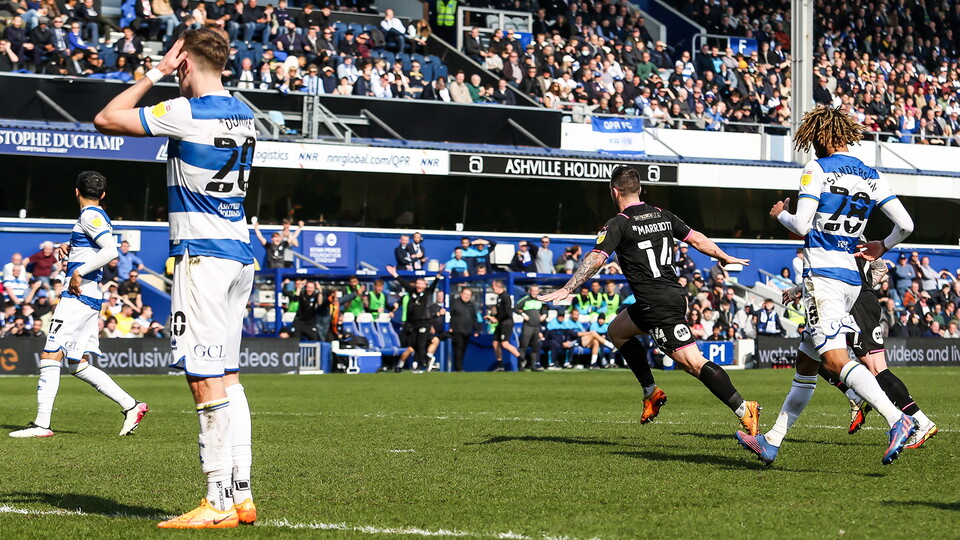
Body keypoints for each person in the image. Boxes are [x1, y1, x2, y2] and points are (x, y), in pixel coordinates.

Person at [94, 29, 257, 527]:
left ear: (185, 62)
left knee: (204, 377)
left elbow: (105, 118)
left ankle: (216, 501)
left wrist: (157, 72)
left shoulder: (186, 112)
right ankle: (242, 493)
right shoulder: (247, 114)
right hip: (239, 255)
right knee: (228, 375)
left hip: (202, 258)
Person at [737, 106, 917, 466]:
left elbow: (802, 225)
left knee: (836, 361)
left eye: (812, 141)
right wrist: (884, 244)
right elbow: (907, 225)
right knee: (806, 365)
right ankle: (771, 441)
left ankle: (899, 419)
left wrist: (779, 215)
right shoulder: (872, 174)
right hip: (851, 279)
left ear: (821, 137)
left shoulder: (817, 168)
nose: (811, 150)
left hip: (824, 279)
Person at [538, 165, 760, 439]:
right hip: (667, 297)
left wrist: (568, 288)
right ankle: (650, 392)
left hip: (658, 304)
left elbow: (596, 257)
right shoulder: (662, 215)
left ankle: (743, 408)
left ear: (614, 191)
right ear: (639, 189)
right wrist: (723, 255)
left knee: (692, 362)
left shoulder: (618, 223)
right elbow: (696, 238)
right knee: (617, 331)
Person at [10, 172, 148, 440]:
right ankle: (132, 406)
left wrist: (78, 271)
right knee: (76, 363)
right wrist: (69, 247)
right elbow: (94, 244)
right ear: (104, 195)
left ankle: (41, 425)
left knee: (51, 356)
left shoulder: (90, 215)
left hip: (77, 294)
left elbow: (110, 251)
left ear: (76, 191)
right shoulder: (94, 217)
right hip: (89, 296)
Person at [784, 258, 938, 449]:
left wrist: (859, 287)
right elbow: (881, 266)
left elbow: (835, 270)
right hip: (847, 302)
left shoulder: (834, 236)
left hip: (856, 304)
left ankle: (921, 422)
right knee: (818, 355)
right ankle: (854, 395)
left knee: (876, 368)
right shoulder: (853, 236)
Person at [385, 264, 444, 372]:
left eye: (420, 283)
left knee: (421, 344)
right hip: (415, 324)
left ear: (425, 285)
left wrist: (439, 273)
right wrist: (395, 274)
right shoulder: (413, 293)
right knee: (415, 345)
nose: (418, 285)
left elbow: (434, 284)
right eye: (417, 283)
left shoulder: (427, 293)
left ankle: (423, 364)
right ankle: (421, 362)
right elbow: (404, 284)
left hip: (424, 322)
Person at [485, 280, 522, 371]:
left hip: (507, 323)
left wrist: (496, 319)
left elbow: (507, 313)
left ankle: (521, 359)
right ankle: (500, 365)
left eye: (493, 287)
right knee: (495, 343)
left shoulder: (506, 297)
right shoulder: (499, 297)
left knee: (505, 344)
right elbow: (500, 312)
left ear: (498, 287)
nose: (493, 289)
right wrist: (492, 317)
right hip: (500, 323)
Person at [513, 284, 548, 371]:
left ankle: (533, 366)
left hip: (537, 327)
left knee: (535, 347)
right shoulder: (525, 299)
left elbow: (545, 309)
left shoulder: (540, 300)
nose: (534, 293)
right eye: (533, 291)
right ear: (529, 291)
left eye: (536, 291)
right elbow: (515, 308)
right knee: (524, 346)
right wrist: (523, 314)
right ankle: (520, 366)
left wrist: (544, 315)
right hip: (527, 326)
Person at [449, 286, 480, 372]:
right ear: (461, 294)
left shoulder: (471, 305)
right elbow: (448, 315)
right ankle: (459, 367)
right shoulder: (455, 303)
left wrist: (476, 330)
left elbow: (474, 318)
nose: (466, 296)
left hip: (467, 330)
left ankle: (459, 366)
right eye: (465, 294)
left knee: (463, 349)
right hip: (457, 330)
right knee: (458, 348)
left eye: (469, 295)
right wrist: (449, 326)